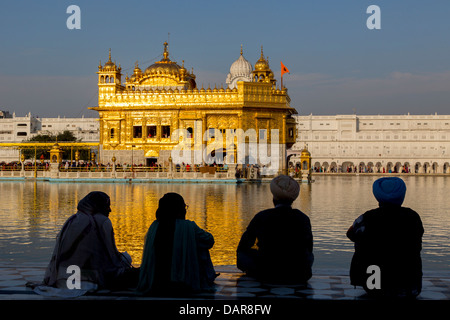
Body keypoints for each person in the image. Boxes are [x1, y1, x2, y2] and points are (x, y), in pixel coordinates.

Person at [36, 191, 139, 296]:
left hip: (63, 276)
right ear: (99, 206)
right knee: (127, 258)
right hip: (89, 277)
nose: (110, 210)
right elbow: (112, 257)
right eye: (107, 206)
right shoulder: (103, 221)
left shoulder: (71, 219)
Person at [347, 177, 424, 299]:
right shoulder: (413, 217)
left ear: (377, 196)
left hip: (374, 286)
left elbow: (350, 234)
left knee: (362, 240)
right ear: (402, 196)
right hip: (409, 286)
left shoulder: (368, 217)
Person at [236, 175, 314, 284]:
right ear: (292, 199)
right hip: (298, 273)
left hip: (266, 271)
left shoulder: (262, 216)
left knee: (242, 253)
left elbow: (243, 246)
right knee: (308, 255)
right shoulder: (303, 218)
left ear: (273, 198)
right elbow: (309, 248)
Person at [136, 193, 217, 296]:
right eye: (184, 207)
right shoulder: (188, 227)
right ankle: (191, 278)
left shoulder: (154, 226)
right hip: (182, 284)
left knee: (193, 240)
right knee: (200, 245)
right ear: (179, 209)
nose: (185, 210)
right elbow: (209, 241)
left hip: (155, 283)